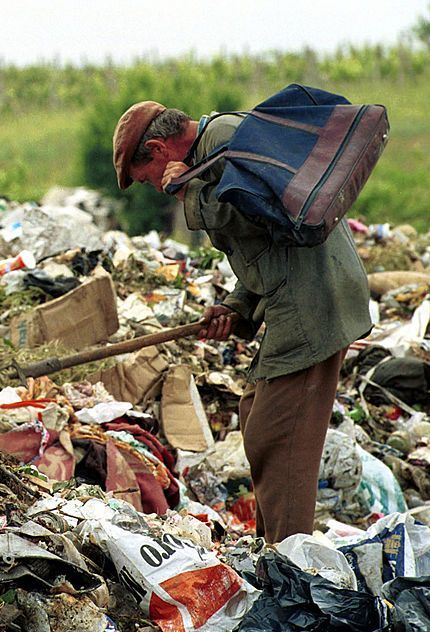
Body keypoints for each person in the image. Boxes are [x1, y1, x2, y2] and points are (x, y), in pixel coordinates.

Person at [112, 101, 372, 543]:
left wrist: (187, 193)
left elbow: (261, 212)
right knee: (258, 418)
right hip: (301, 297)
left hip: (313, 303)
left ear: (157, 149)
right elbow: (264, 242)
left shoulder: (228, 142)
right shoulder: (215, 152)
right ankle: (277, 552)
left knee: (278, 437)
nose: (155, 187)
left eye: (147, 178)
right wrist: (234, 306)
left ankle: (290, 564)